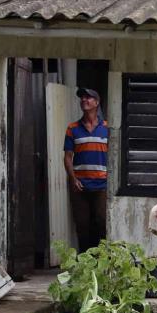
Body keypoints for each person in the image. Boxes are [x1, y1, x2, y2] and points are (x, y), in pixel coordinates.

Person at [63, 88, 107, 252]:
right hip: (80, 185)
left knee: (102, 223)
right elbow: (68, 157)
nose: (84, 100)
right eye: (82, 98)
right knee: (82, 226)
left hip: (102, 185)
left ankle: (101, 261)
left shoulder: (107, 128)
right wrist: (73, 179)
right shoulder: (72, 128)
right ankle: (84, 264)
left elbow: (114, 155)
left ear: (97, 102)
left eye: (88, 97)